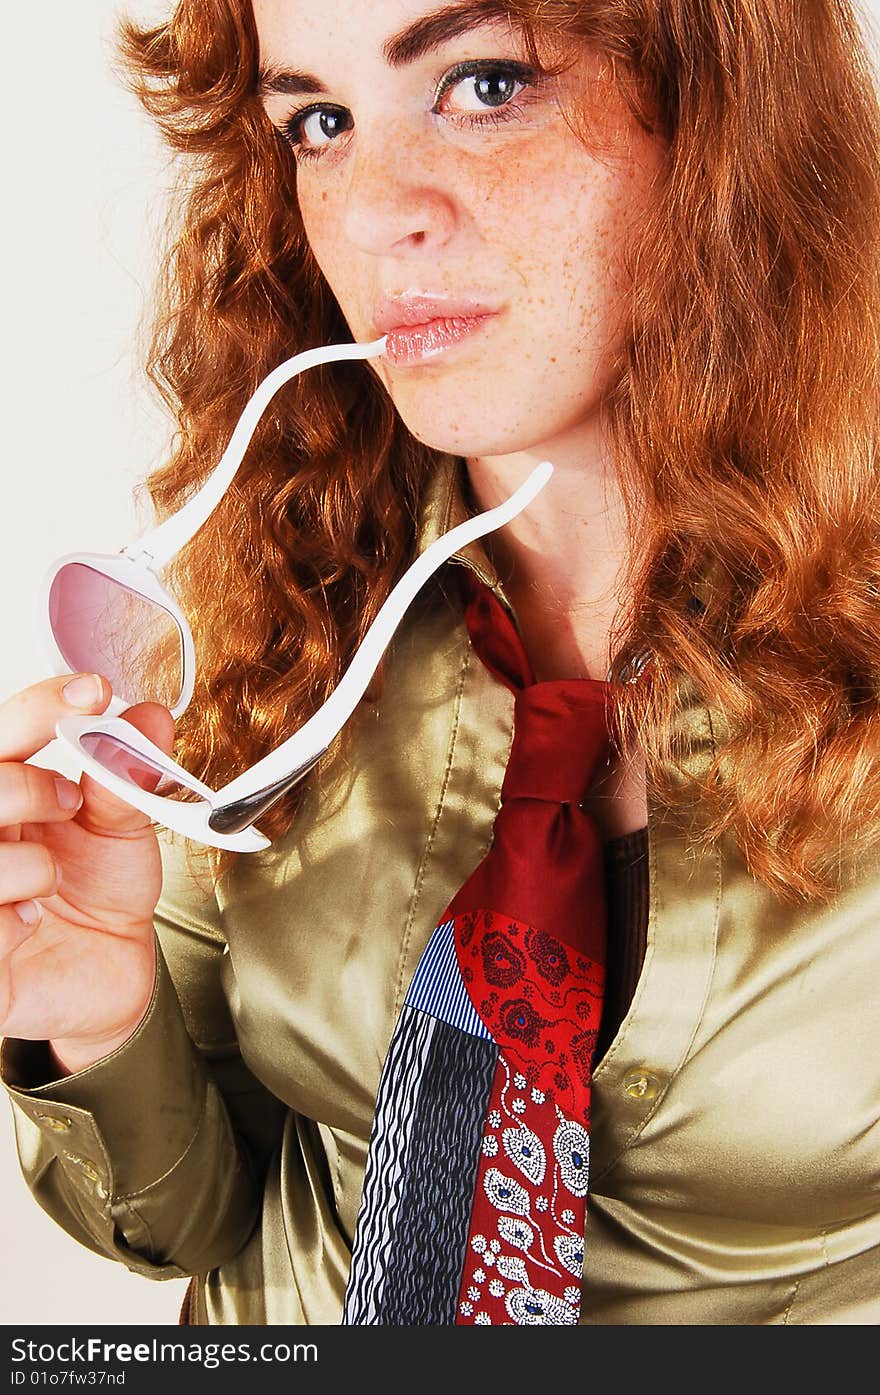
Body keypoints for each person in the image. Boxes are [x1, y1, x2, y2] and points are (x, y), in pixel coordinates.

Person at [1, 0, 879, 1326]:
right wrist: (96, 1017)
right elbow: (192, 1220)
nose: (370, 211)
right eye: (320, 122)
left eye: (483, 86)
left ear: (717, 121)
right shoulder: (267, 594)